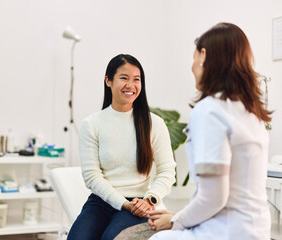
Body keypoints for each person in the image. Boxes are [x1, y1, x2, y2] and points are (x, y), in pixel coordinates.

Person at [115, 23, 272, 240]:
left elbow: (214, 197)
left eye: (193, 57)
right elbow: (227, 197)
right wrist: (180, 215)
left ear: (204, 55)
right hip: (255, 230)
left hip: (224, 231)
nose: (191, 66)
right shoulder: (251, 111)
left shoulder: (210, 110)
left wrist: (175, 221)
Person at [67, 54, 176, 240]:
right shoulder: (92, 124)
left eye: (136, 79)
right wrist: (123, 204)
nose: (130, 85)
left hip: (140, 201)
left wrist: (150, 199)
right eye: (124, 78)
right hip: (100, 202)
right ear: (108, 81)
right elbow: (92, 176)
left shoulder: (154, 123)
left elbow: (167, 171)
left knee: (112, 238)